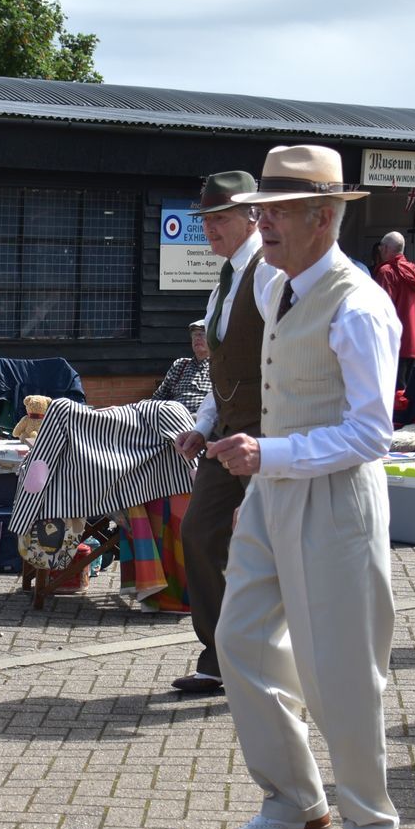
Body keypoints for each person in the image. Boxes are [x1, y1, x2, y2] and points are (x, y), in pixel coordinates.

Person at [204, 144, 403, 829]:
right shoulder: (271, 285)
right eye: (260, 209)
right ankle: (294, 800)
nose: (262, 223)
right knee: (242, 639)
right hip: (272, 487)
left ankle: (372, 822)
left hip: (333, 495)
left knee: (340, 668)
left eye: (277, 212)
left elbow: (372, 431)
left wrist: (272, 453)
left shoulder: (360, 303)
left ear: (325, 216)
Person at [172, 170, 261, 696]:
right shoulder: (222, 283)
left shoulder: (270, 274)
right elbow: (219, 370)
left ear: (252, 217)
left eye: (221, 218)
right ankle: (219, 654)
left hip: (269, 433)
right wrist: (200, 427)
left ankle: (268, 657)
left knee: (268, 546)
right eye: (205, 219)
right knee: (200, 533)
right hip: (226, 431)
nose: (210, 229)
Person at [372, 231, 415, 388]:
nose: (380, 251)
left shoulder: (386, 272)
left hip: (394, 344)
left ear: (386, 248)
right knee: (409, 397)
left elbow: (380, 310)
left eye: (381, 247)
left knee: (392, 398)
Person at [149, 320, 213, 416]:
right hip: (175, 417)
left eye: (202, 334)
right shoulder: (181, 365)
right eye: (194, 335)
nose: (197, 338)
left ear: (211, 339)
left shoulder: (218, 366)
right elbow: (158, 397)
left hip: (204, 420)